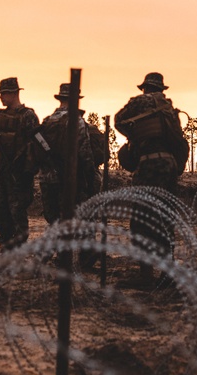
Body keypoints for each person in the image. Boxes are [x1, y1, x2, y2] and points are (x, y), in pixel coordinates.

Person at [114, 71, 187, 271]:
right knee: (165, 217)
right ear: (161, 89)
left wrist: (135, 135)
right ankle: (166, 271)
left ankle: (145, 271)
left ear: (144, 88)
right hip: (168, 167)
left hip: (147, 167)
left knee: (142, 218)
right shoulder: (169, 108)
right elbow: (178, 139)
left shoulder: (138, 102)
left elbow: (118, 120)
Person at [36, 82, 107, 224]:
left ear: (60, 99)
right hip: (71, 179)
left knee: (54, 221)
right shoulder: (77, 122)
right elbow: (85, 152)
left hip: (48, 180)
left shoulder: (47, 121)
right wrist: (91, 178)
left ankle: (58, 246)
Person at [0, 77, 39, 248]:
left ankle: (19, 247)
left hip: (19, 171)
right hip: (1, 169)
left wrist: (28, 170)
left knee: (17, 210)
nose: (1, 97)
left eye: (4, 94)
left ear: (14, 93)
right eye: (0, 94)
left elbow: (36, 144)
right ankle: (6, 241)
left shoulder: (28, 116)